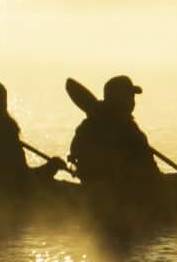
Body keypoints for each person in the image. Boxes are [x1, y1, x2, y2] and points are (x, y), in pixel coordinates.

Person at [70, 74, 164, 219]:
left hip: (93, 190)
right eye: (130, 97)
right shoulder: (130, 132)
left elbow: (76, 156)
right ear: (122, 99)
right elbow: (151, 178)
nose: (133, 102)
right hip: (127, 197)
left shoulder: (88, 126)